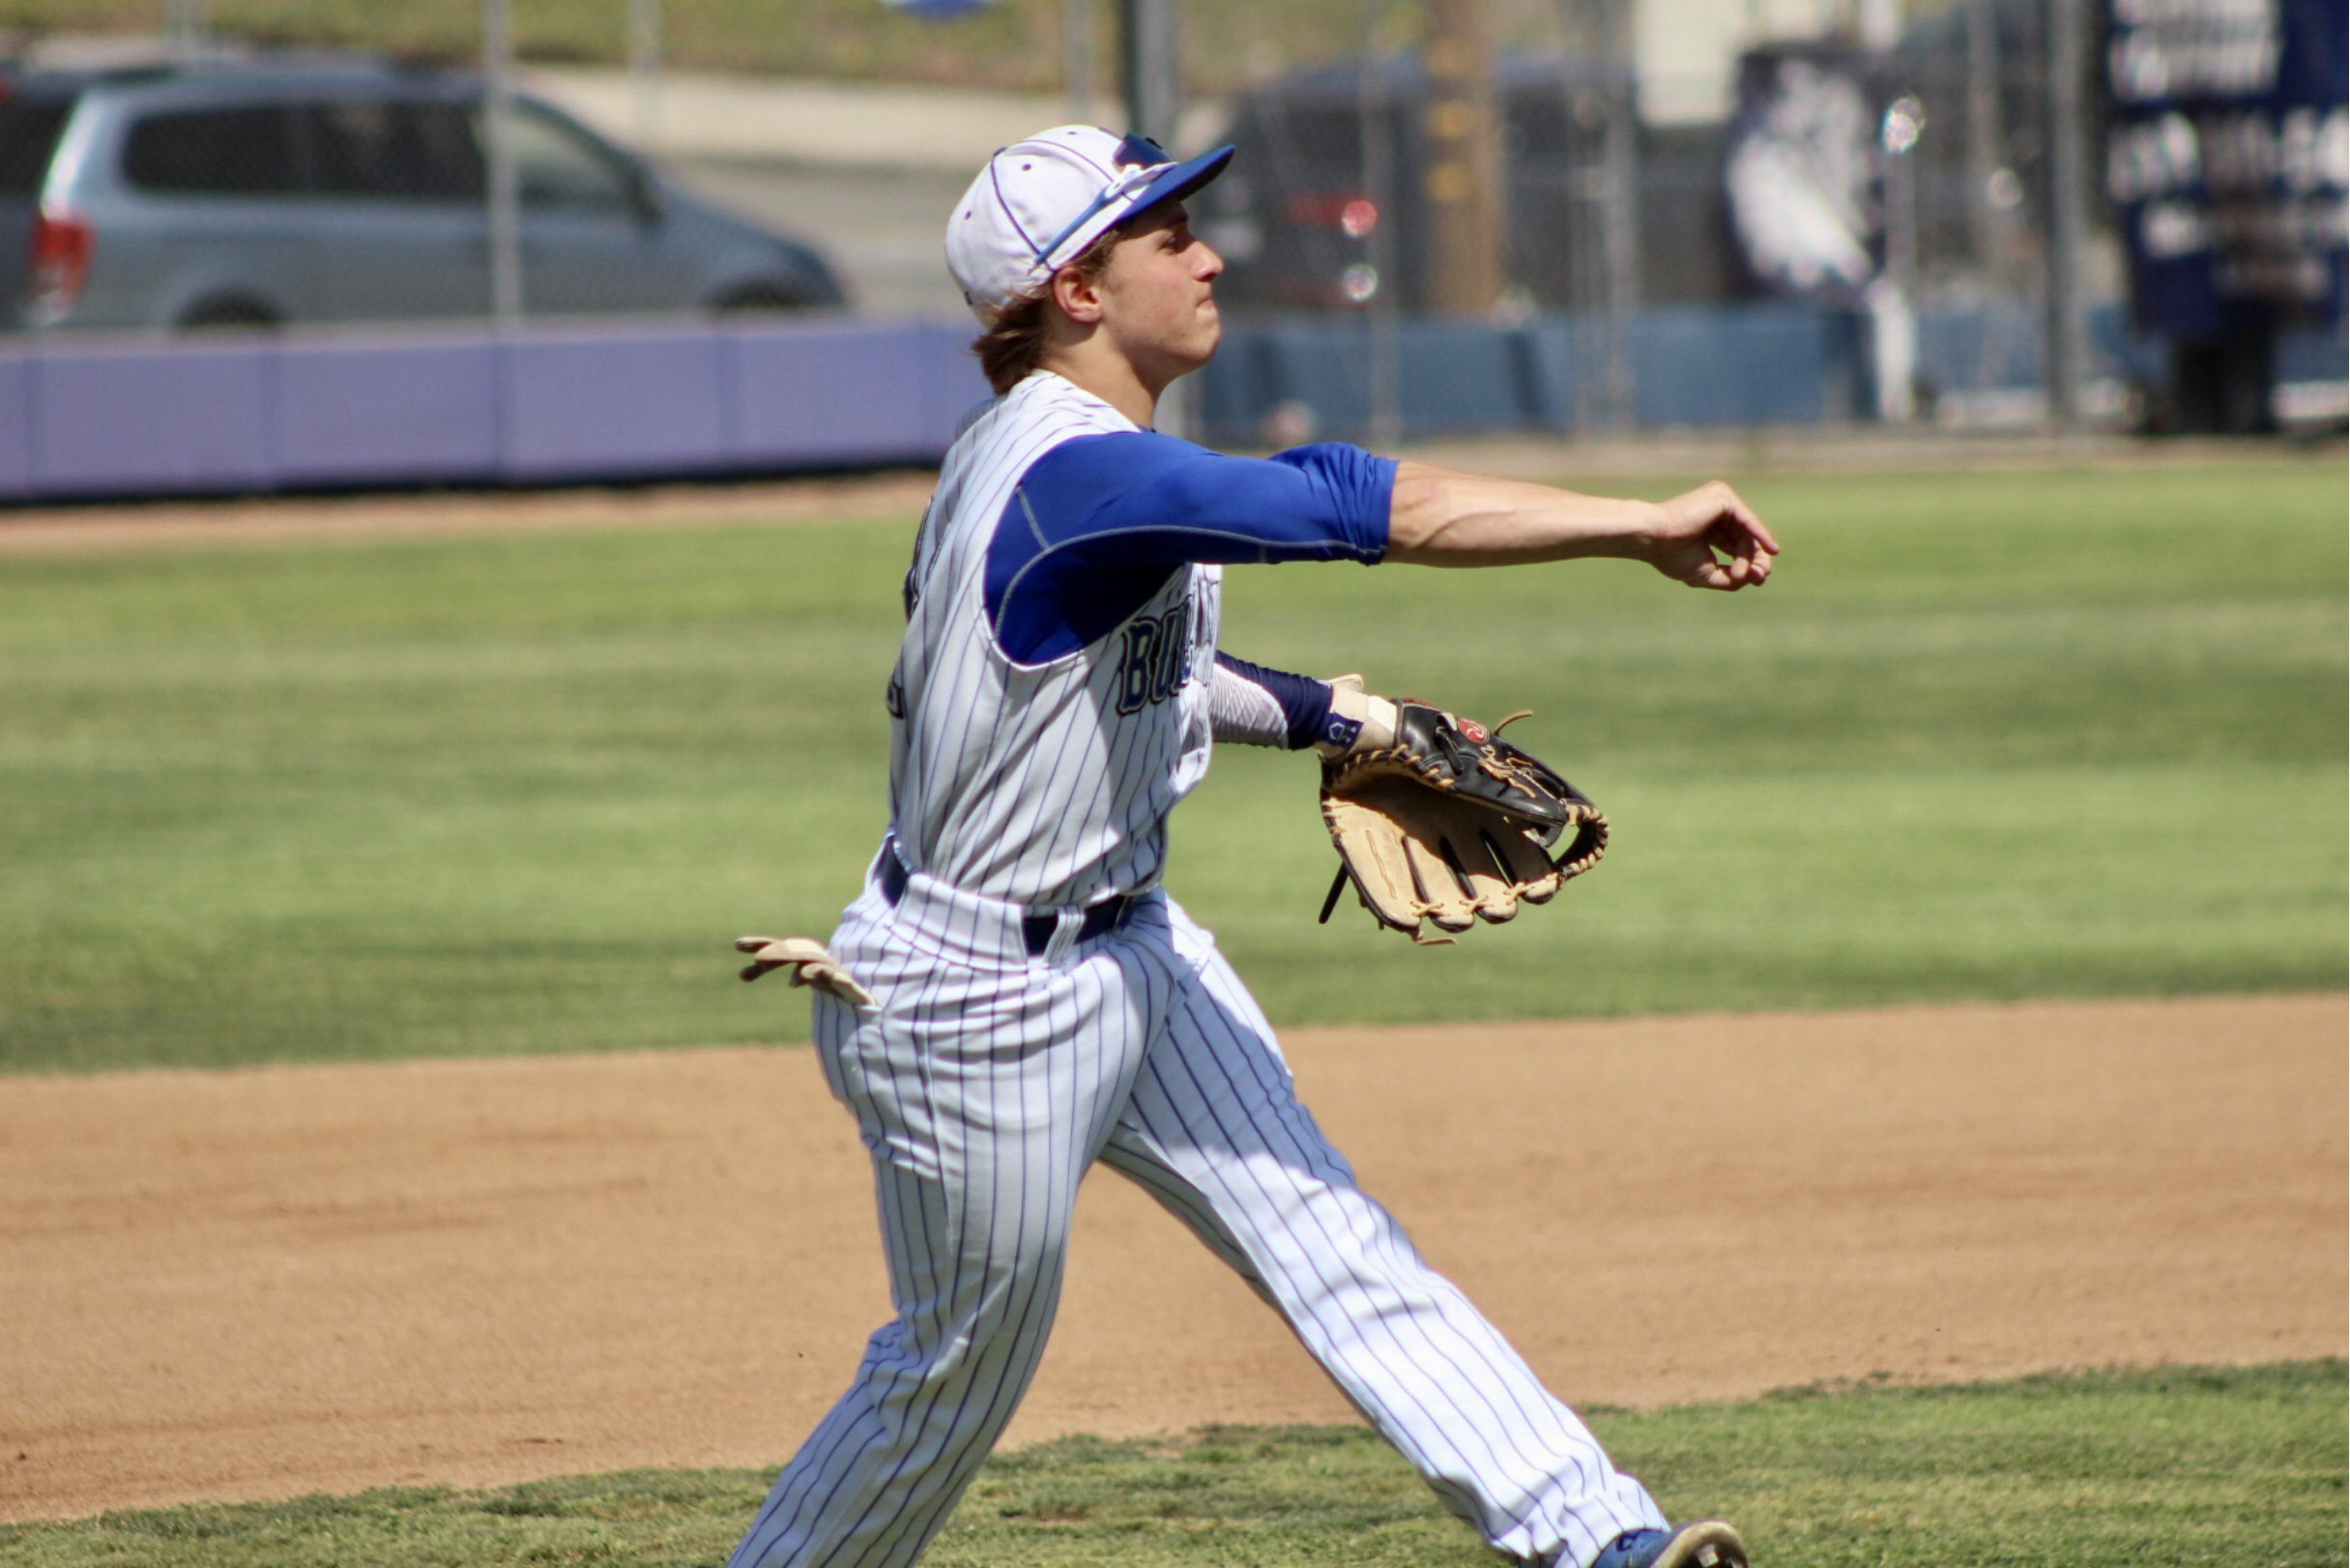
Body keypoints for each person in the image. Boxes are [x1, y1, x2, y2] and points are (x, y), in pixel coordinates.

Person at [727, 126, 1777, 1568]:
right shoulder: (1074, 478)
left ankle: (1604, 1541)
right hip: (971, 1004)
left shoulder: (1080, 466)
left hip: (1134, 949)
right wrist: (1640, 521)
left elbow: (1145, 672)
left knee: (1335, 1236)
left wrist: (1337, 717)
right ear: (1079, 291)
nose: (1209, 251)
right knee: (949, 1378)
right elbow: (1358, 503)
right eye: (1167, 234)